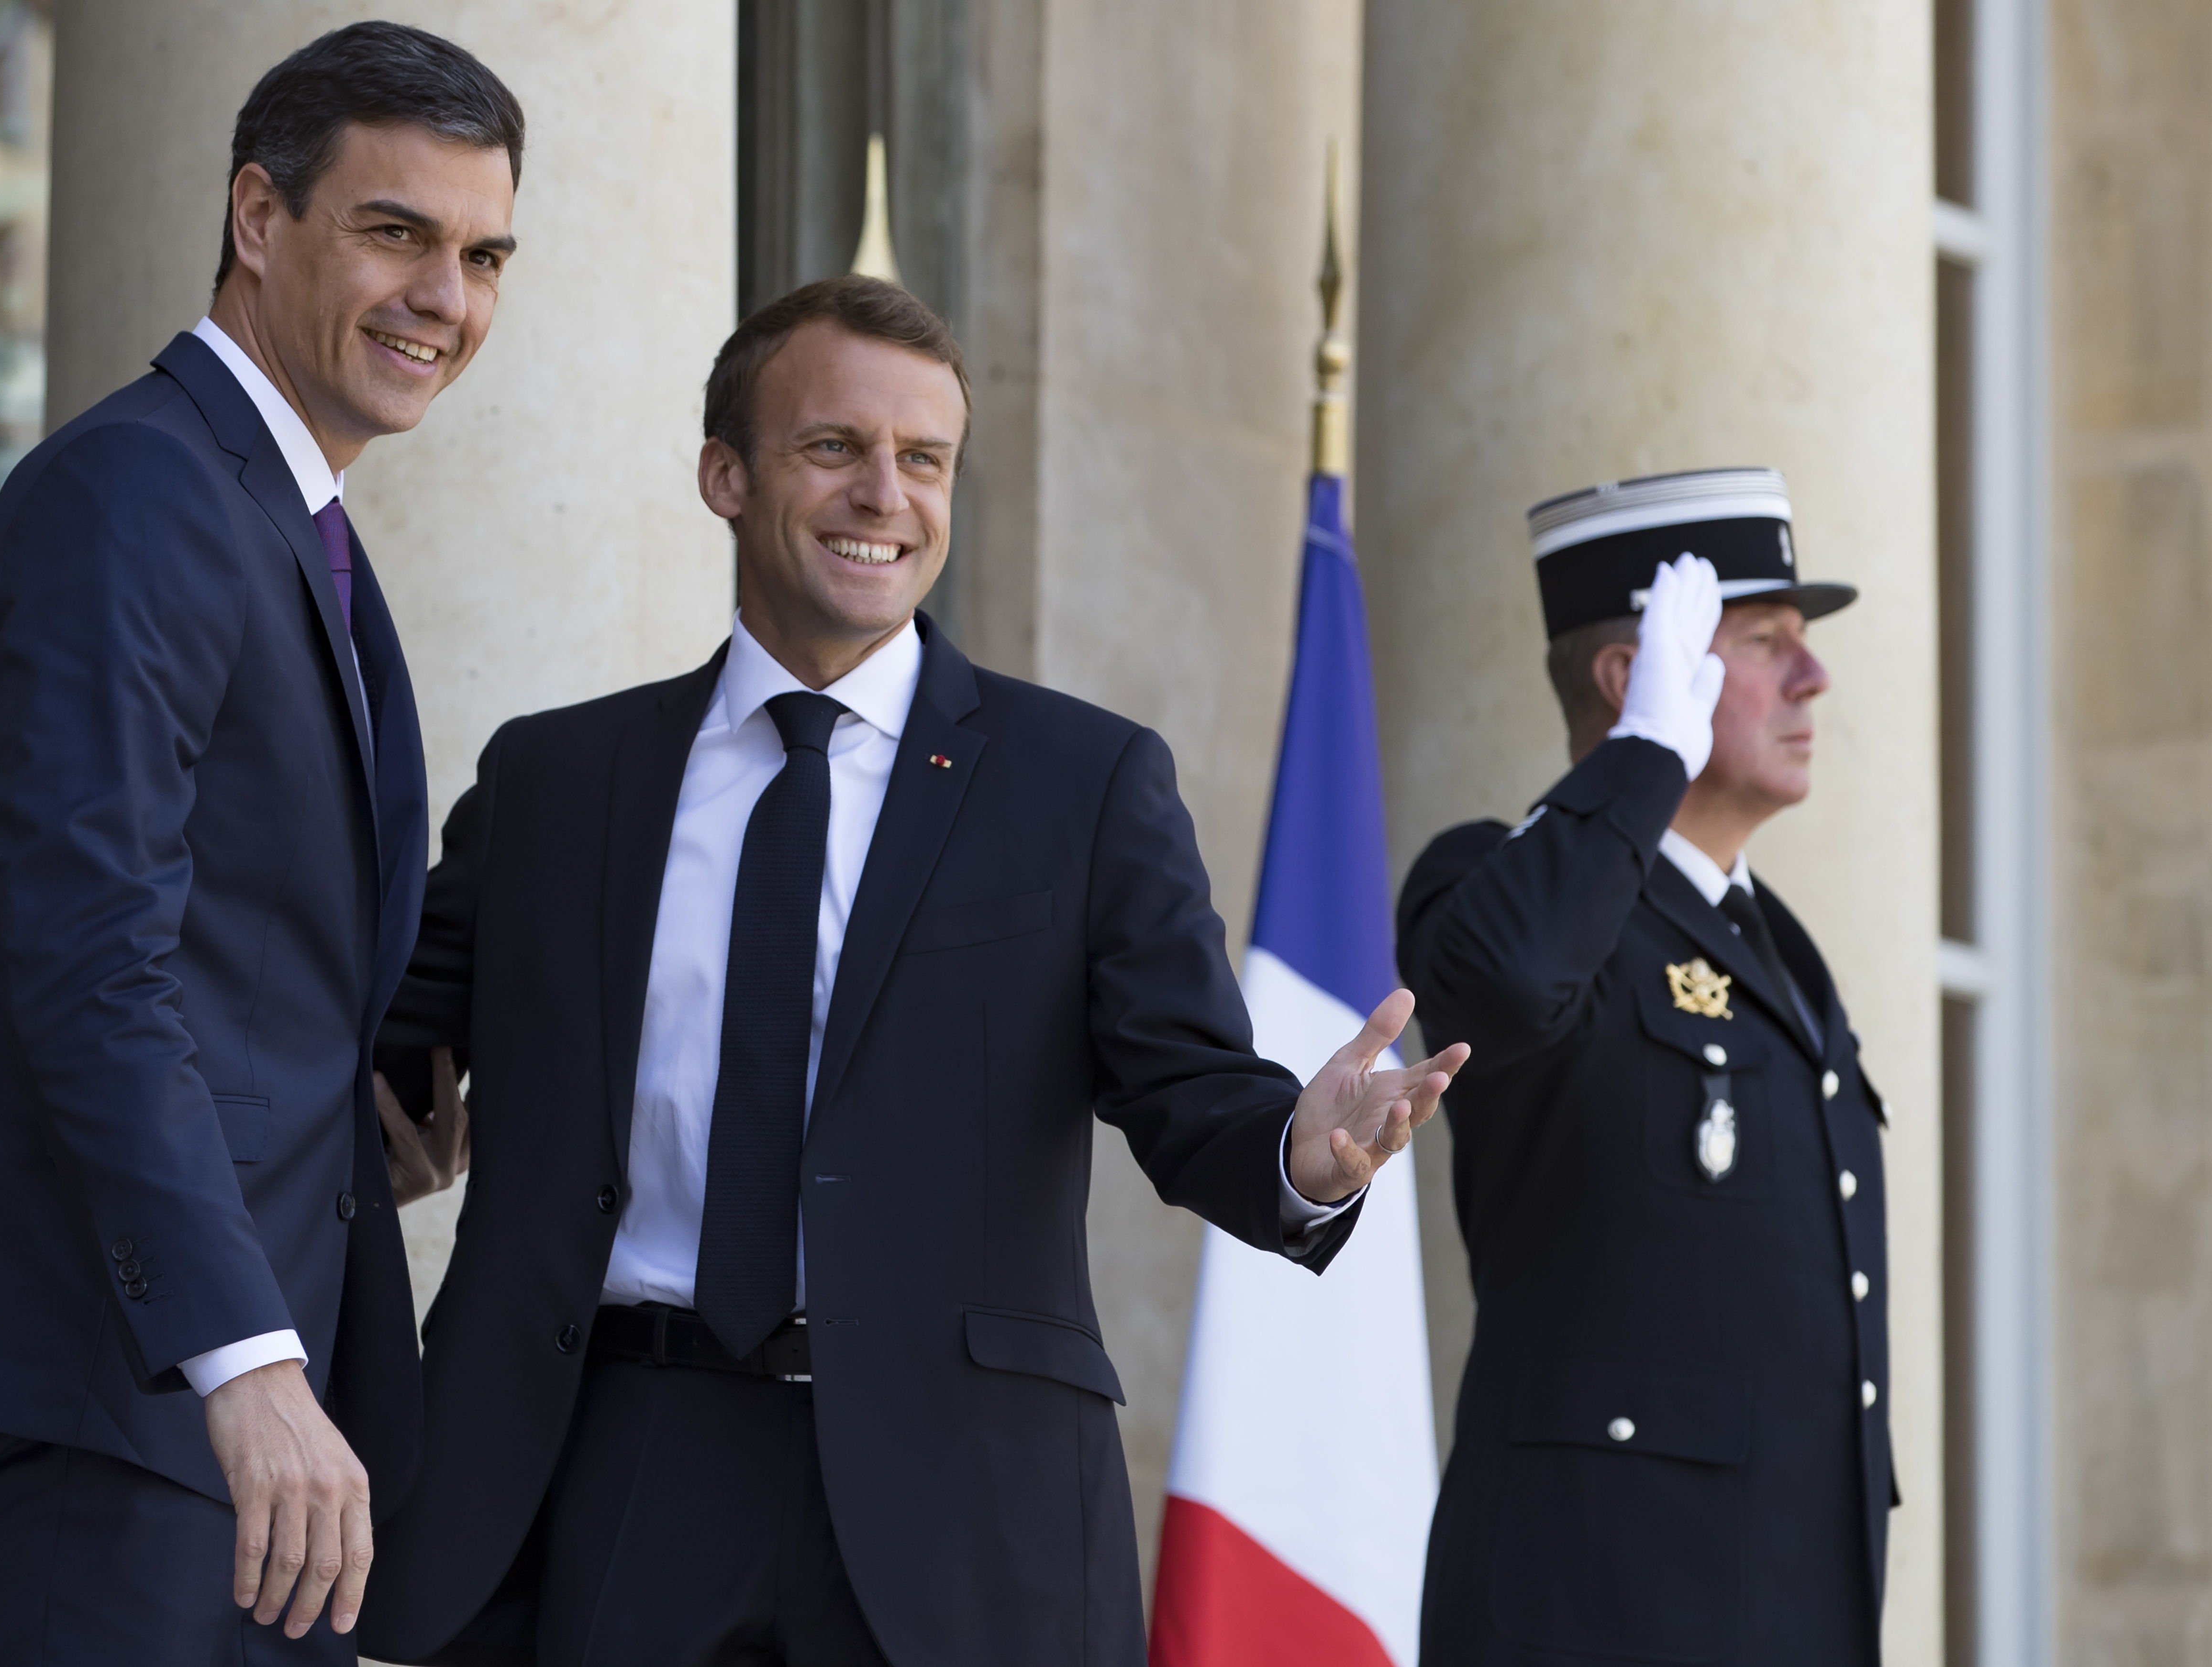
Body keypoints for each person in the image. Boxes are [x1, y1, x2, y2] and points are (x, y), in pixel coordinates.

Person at [355, 275, 1469, 1667]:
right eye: (833, 447)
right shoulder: (557, 780)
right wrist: (355, 1152)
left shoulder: (1080, 782)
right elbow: (368, 1057)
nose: (885, 492)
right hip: (617, 1463)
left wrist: (1301, 1153)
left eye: (923, 459)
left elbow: (1189, 1084)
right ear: (726, 473)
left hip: (962, 1508)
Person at [0, 23, 520, 1661]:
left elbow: (228, 960)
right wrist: (244, 1356)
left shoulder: (269, 518)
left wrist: (344, 1134)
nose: (449, 297)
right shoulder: (137, 494)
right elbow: (89, 957)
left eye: (485, 254)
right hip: (125, 1390)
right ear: (258, 219)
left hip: (211, 1418)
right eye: (396, 232)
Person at [1397, 469, 1892, 1665]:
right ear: (1635, 681)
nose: (1811, 676)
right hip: (1593, 1611)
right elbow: (1513, 982)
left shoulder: (1773, 946)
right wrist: (1641, 762)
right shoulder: (1493, 884)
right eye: (1763, 644)